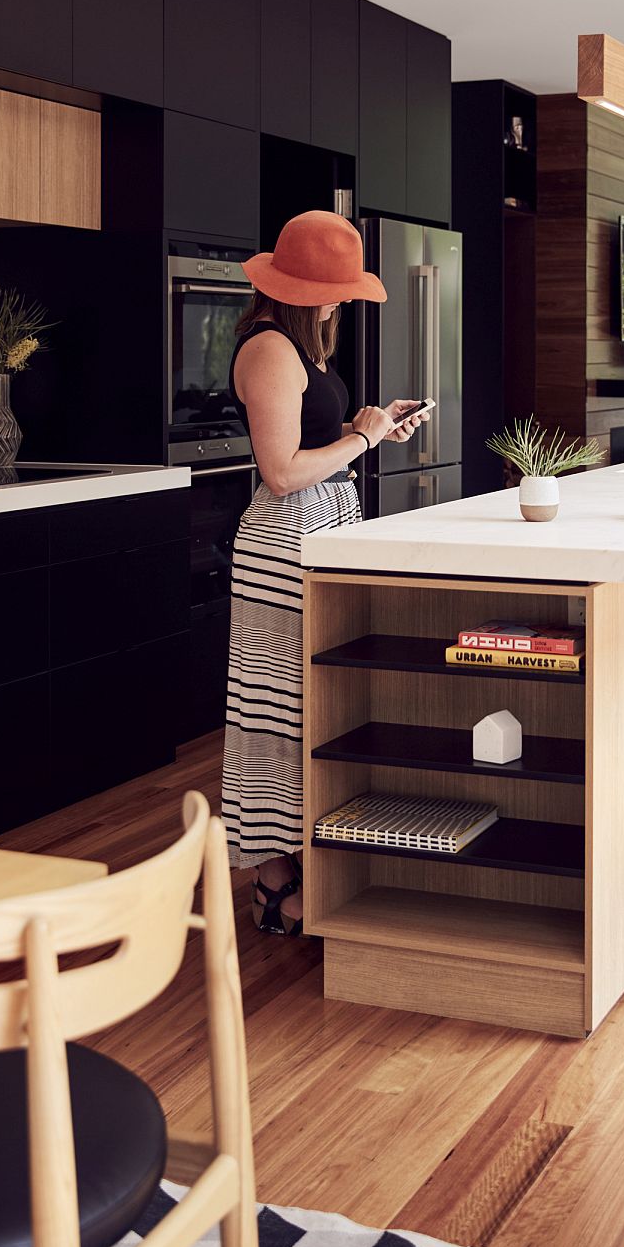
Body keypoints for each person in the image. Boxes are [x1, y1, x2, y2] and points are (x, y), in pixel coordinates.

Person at [222, 210, 430, 935]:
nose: (341, 303)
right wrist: (362, 438)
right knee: (284, 712)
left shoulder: (297, 350)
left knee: (315, 704)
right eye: (334, 292)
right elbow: (281, 474)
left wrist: (366, 432)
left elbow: (312, 446)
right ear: (299, 290)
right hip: (287, 542)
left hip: (323, 529)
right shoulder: (270, 350)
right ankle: (275, 881)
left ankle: (311, 862)